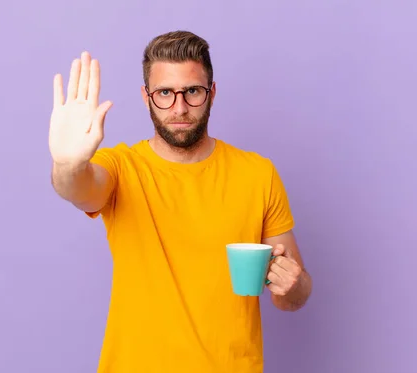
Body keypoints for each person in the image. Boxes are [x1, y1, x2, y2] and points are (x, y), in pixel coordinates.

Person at [49, 30, 313, 373]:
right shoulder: (122, 167)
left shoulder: (258, 174)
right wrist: (69, 165)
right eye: (164, 93)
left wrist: (293, 285)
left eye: (192, 91)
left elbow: (293, 294)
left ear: (212, 93)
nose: (179, 107)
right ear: (146, 97)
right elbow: (79, 189)